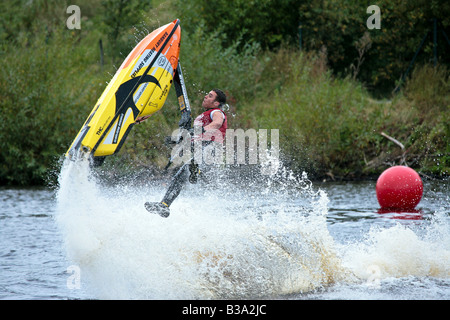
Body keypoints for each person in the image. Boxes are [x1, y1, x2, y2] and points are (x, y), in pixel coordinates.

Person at [145, 89, 227, 217]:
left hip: (211, 148)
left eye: (210, 96)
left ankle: (198, 172)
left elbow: (217, 124)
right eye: (207, 94)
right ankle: (164, 206)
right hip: (200, 150)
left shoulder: (217, 112)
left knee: (187, 168)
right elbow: (193, 135)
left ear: (216, 103)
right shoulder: (203, 115)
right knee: (180, 176)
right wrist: (177, 139)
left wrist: (199, 130)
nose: (205, 96)